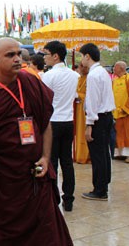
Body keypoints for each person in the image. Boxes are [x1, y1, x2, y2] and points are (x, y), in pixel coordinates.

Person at [0, 37, 73, 245]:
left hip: (36, 176)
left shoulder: (31, 82)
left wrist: (45, 157)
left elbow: (45, 124)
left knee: (47, 233)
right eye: (10, 55)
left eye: (18, 54)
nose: (17, 59)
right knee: (11, 237)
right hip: (5, 182)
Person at [41, 40, 79, 211]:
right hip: (68, 122)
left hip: (52, 123)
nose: (44, 58)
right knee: (67, 162)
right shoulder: (74, 75)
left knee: (52, 162)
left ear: (55, 56)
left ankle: (53, 199)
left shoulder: (48, 76)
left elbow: (43, 101)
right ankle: (69, 199)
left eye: (46, 54)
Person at [79, 43, 115, 201]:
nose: (81, 60)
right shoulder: (103, 72)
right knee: (104, 152)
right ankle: (104, 183)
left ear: (87, 56)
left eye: (81, 56)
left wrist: (89, 124)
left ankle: (100, 190)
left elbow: (93, 101)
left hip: (98, 118)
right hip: (107, 116)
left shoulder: (94, 75)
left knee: (98, 154)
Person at [75, 63, 91, 164]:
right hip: (78, 108)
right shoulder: (79, 79)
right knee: (78, 132)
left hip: (85, 108)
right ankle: (79, 155)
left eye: (81, 67)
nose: (79, 69)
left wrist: (78, 95)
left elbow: (90, 94)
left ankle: (87, 156)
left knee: (84, 131)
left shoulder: (90, 79)